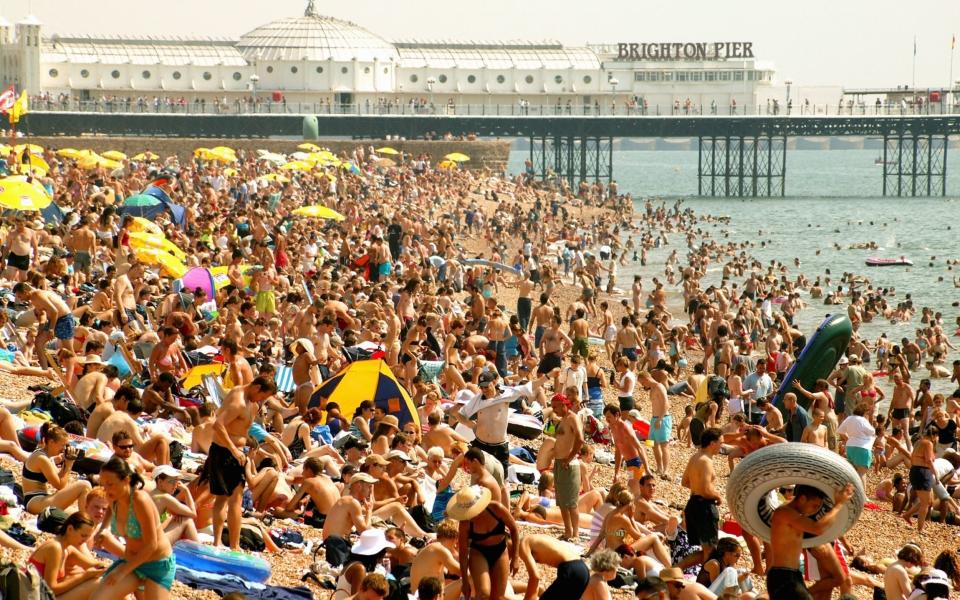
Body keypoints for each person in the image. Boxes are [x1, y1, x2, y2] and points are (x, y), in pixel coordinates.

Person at [200, 376, 277, 550]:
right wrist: (234, 449)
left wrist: (248, 446)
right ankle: (217, 542)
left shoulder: (252, 404)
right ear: (256, 388)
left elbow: (241, 429)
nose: (262, 400)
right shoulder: (238, 399)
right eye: (262, 396)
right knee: (223, 498)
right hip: (224, 452)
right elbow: (218, 424)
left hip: (238, 453)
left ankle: (234, 545)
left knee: (237, 499)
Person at [95, 456, 176, 599]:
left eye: (110, 484)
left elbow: (151, 545)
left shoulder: (139, 500)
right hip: (132, 561)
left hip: (157, 565)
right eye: (103, 484)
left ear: (126, 479)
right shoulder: (113, 496)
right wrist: (103, 528)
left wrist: (122, 572)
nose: (106, 489)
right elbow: (109, 510)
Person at [767, 483, 854, 599]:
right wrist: (839, 504)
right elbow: (817, 528)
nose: (816, 510)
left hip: (792, 574)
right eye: (814, 506)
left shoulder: (796, 515)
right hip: (783, 575)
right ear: (802, 499)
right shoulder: (784, 512)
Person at [448, 485, 519, 600]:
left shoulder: (496, 509)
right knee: (484, 594)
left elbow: (514, 529)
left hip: (500, 551)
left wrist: (516, 558)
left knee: (498, 597)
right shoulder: (465, 523)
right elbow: (463, 553)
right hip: (478, 553)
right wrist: (465, 581)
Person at [27, 511, 105, 600]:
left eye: (88, 537)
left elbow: (95, 565)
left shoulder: (67, 548)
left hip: (44, 595)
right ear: (70, 529)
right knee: (96, 584)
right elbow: (51, 588)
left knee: (102, 581)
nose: (85, 540)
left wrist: (114, 568)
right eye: (83, 535)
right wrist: (84, 576)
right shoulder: (55, 548)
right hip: (39, 597)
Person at [22, 422, 92, 514]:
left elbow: (59, 478)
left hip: (41, 500)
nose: (64, 449)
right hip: (35, 502)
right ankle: (86, 523)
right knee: (84, 485)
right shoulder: (41, 458)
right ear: (51, 442)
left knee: (76, 514)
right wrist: (69, 463)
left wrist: (66, 461)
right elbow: (60, 485)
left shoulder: (44, 455)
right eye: (63, 445)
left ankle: (86, 521)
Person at [681, 427, 724, 567]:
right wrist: (718, 496)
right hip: (703, 506)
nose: (721, 446)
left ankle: (676, 569)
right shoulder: (706, 461)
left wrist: (696, 488)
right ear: (712, 443)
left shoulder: (695, 457)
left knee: (705, 549)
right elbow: (706, 490)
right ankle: (706, 582)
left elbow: (685, 481)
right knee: (711, 550)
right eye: (720, 443)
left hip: (692, 504)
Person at [515, 534, 590, 600]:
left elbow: (535, 577)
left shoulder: (523, 543)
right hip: (583, 570)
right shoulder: (534, 538)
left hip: (572, 570)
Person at [550, 392, 584, 540]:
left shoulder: (573, 418)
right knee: (562, 501)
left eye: (556, 407)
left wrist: (569, 458)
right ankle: (567, 531)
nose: (554, 410)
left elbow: (580, 439)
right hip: (559, 462)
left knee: (571, 502)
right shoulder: (563, 419)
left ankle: (575, 533)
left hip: (568, 464)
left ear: (564, 405)